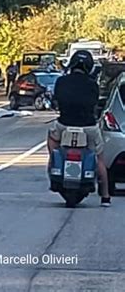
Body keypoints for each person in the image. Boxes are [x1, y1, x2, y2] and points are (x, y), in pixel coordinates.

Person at [47, 50, 111, 207]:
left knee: (52, 141)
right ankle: (105, 196)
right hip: (88, 127)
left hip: (64, 125)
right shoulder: (92, 85)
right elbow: (95, 104)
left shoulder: (61, 81)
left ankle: (54, 164)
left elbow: (56, 100)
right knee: (100, 159)